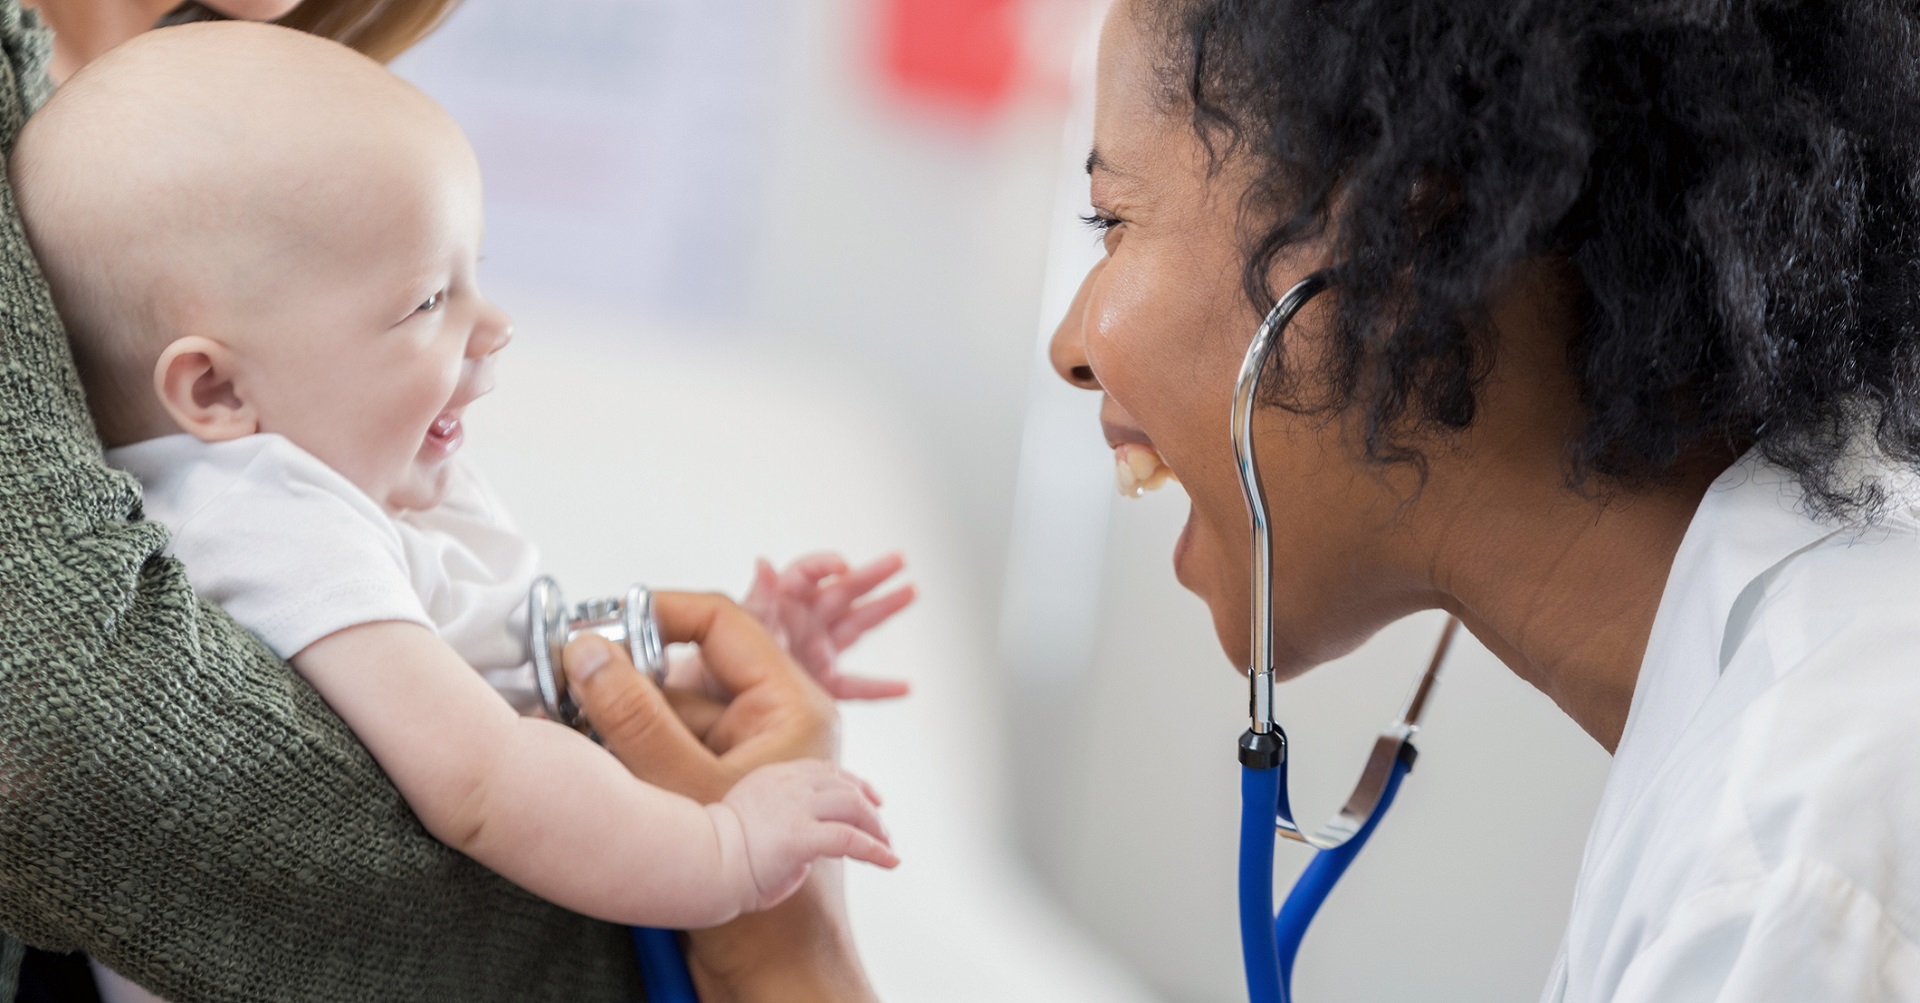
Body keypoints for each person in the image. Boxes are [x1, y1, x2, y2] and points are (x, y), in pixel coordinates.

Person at [10, 23, 915, 1001]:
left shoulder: (351, 483)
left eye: (475, 272)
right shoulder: (263, 521)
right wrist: (727, 849)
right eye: (427, 301)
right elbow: (482, 780)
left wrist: (700, 678)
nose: (495, 324)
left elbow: (501, 665)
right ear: (216, 392)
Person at [1044, 0, 1920, 999]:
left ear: (1396, 238)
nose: (1068, 345)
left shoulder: (1797, 864)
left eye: (1113, 218)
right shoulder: (1785, 737)